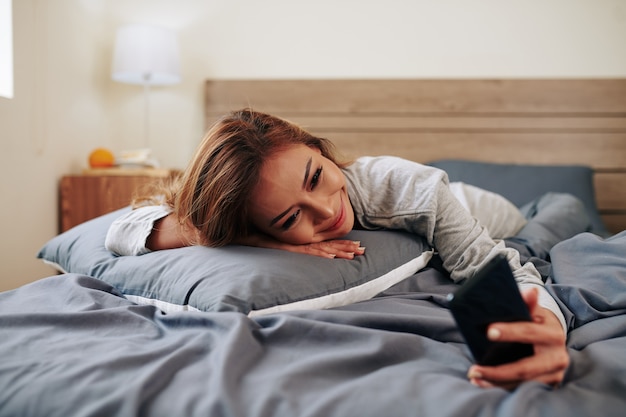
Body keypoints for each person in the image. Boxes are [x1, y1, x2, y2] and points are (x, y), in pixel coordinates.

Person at [106, 108, 575, 390]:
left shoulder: (414, 189)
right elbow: (121, 233)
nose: (324, 212)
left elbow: (493, 266)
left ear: (319, 149)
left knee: (563, 213)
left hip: (499, 213)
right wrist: (253, 238)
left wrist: (544, 325)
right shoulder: (254, 222)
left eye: (316, 177)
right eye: (289, 218)